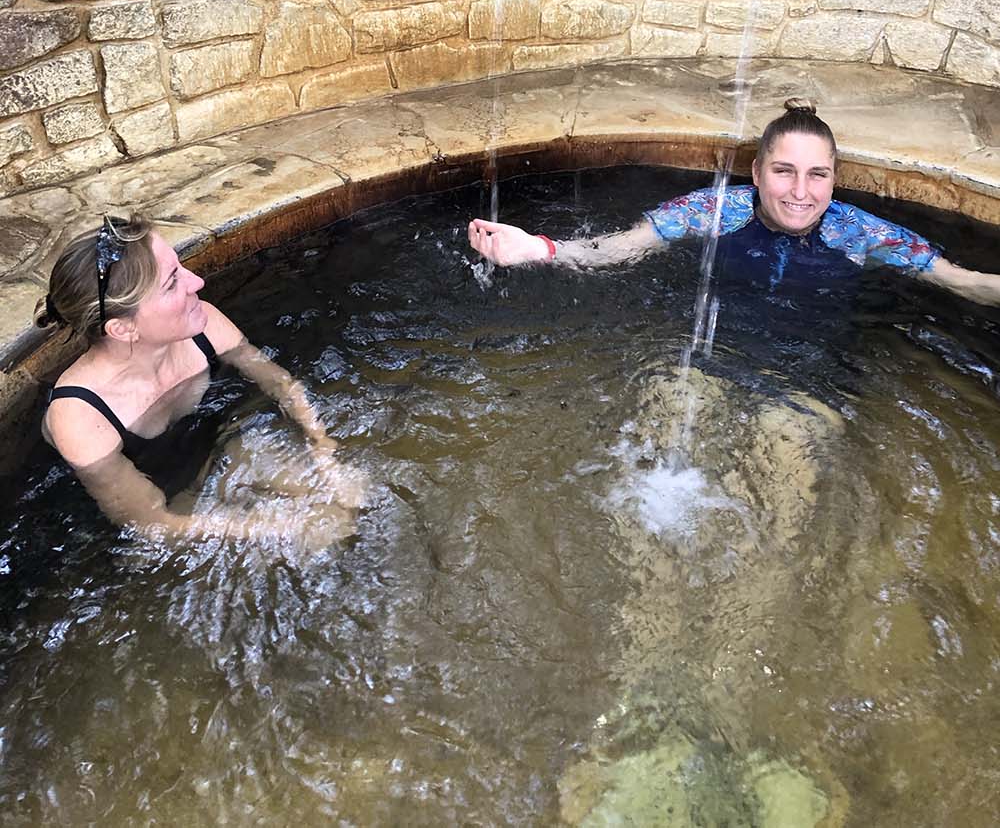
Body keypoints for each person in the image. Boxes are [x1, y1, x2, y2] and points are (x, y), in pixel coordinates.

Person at [468, 100, 1000, 308]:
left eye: (818, 175)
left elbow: (961, 281)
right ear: (756, 173)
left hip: (809, 369)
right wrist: (539, 249)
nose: (800, 192)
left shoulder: (861, 233)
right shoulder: (714, 211)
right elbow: (623, 248)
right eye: (784, 171)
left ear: (836, 180)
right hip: (717, 357)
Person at [38, 214, 364, 544]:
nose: (196, 282)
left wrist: (325, 451)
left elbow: (282, 384)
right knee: (310, 543)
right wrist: (278, 530)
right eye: (172, 283)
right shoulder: (80, 417)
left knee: (353, 501)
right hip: (177, 501)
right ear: (123, 329)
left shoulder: (203, 325)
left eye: (180, 268)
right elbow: (152, 523)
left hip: (226, 453)